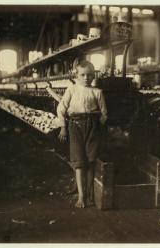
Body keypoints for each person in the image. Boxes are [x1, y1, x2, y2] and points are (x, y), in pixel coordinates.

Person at [56, 60, 107, 208]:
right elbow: (61, 109)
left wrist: (98, 124)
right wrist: (63, 127)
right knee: (79, 163)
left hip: (93, 127)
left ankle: (90, 196)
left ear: (94, 75)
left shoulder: (97, 92)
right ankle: (81, 197)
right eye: (83, 75)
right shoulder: (71, 89)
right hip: (75, 126)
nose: (86, 78)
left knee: (91, 162)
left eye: (90, 75)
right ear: (76, 75)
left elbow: (104, 114)